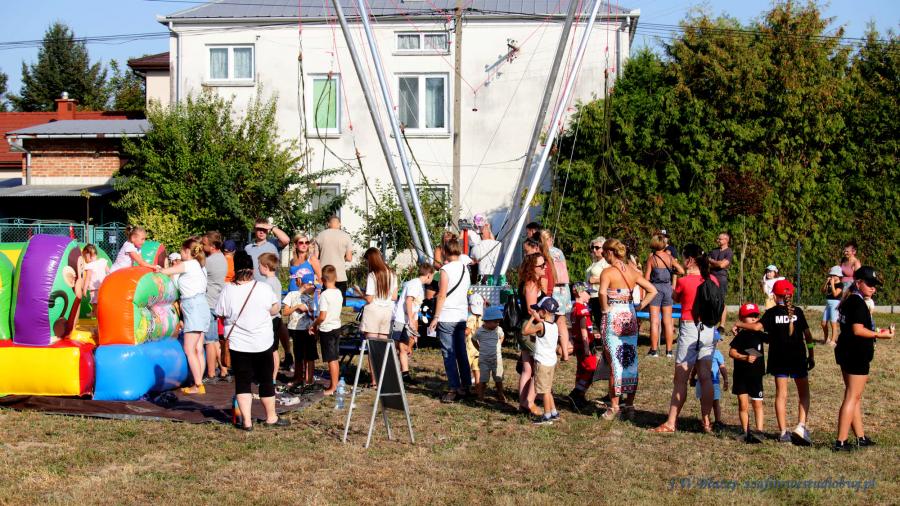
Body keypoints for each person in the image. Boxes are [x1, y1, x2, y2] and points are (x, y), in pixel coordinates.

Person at [734, 279, 814, 445]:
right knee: (804, 394)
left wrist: (738, 323)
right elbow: (808, 336)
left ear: (775, 296)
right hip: (798, 357)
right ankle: (801, 426)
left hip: (779, 358)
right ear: (791, 295)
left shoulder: (771, 313)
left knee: (781, 395)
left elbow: (757, 327)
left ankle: (783, 432)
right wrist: (811, 354)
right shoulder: (798, 312)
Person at [215, 251, 288, 430]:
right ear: (252, 269)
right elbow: (274, 309)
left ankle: (247, 422)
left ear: (235, 269)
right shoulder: (263, 288)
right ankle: (271, 417)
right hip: (262, 342)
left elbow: (220, 313)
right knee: (266, 380)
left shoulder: (227, 289)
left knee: (242, 382)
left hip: (238, 344)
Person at [652, 244, 719, 434]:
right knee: (705, 376)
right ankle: (706, 422)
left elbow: (676, 298)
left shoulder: (684, 281)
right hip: (708, 329)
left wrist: (675, 278)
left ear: (689, 260)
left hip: (690, 328)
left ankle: (671, 422)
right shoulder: (713, 279)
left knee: (680, 378)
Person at [832, 267, 893, 451]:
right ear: (858, 283)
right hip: (856, 354)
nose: (873, 287)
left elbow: (855, 328)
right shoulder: (857, 303)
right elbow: (858, 330)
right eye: (869, 283)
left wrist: (875, 332)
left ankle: (860, 437)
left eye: (875, 284)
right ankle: (841, 442)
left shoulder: (850, 299)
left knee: (854, 396)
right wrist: (881, 335)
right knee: (852, 397)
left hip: (846, 352)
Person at [597, 239, 657, 419]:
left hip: (613, 315)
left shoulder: (607, 272)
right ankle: (629, 406)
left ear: (610, 252)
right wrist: (639, 306)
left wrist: (605, 309)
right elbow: (652, 290)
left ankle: (614, 407)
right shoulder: (633, 271)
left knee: (615, 363)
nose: (603, 255)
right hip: (630, 316)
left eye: (604, 252)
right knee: (630, 360)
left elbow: (602, 292)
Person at [157, 238, 209, 394]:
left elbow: (165, 272)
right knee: (197, 348)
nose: (180, 254)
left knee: (189, 348)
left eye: (181, 251)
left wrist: (159, 268)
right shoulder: (198, 265)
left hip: (193, 306)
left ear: (187, 251)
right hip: (200, 305)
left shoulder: (188, 264)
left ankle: (198, 385)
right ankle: (199, 383)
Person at [428, 235, 473, 403]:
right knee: (461, 352)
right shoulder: (465, 269)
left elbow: (442, 295)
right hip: (461, 315)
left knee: (449, 353)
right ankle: (466, 386)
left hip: (447, 315)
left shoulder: (445, 270)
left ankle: (454, 388)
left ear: (445, 252)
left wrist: (436, 317)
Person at [391, 263, 435, 384]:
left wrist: (414, 328)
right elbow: (409, 300)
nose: (432, 279)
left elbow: (415, 307)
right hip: (400, 319)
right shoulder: (414, 284)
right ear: (428, 275)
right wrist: (410, 319)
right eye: (432, 276)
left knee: (404, 347)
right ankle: (390, 372)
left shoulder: (420, 286)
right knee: (394, 346)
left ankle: (405, 374)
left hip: (407, 320)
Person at [729, 303, 767, 444]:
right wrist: (744, 357)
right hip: (741, 375)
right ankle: (745, 432)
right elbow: (732, 352)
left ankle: (759, 432)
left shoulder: (760, 334)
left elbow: (773, 337)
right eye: (749, 316)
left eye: (755, 316)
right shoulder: (741, 336)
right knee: (743, 404)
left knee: (757, 403)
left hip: (756, 375)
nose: (753, 318)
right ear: (741, 318)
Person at [644, 233, 685, 358]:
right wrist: (672, 271)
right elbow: (682, 271)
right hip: (668, 288)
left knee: (654, 321)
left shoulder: (652, 259)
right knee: (668, 321)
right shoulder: (669, 257)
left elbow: (646, 278)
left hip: (655, 289)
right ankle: (669, 351)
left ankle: (654, 350)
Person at [521, 296, 560, 425]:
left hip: (542, 363)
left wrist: (532, 317)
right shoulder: (554, 326)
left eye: (539, 310)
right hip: (551, 362)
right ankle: (554, 412)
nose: (537, 312)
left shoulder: (541, 325)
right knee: (548, 388)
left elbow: (525, 331)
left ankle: (547, 416)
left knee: (544, 391)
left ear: (544, 311)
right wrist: (537, 316)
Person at [540, 230, 572, 361]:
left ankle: (550, 350)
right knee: (561, 322)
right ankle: (565, 353)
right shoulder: (559, 252)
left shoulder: (544, 253)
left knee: (549, 321)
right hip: (564, 289)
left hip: (553, 289)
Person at [201, 231, 229, 383]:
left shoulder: (209, 261)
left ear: (212, 246)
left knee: (209, 341)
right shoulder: (221, 258)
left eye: (204, 244)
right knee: (216, 340)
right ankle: (223, 370)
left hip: (209, 302)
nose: (202, 246)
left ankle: (211, 373)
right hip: (216, 301)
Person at [312, 265, 343, 396]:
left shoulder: (324, 295)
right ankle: (334, 384)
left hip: (327, 329)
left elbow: (322, 316)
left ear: (322, 280)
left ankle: (333, 386)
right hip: (336, 326)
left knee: (332, 359)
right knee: (334, 357)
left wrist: (313, 325)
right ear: (335, 278)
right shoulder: (338, 292)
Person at [283, 274, 316, 392]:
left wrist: (308, 311)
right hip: (295, 329)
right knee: (298, 355)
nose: (312, 288)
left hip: (307, 329)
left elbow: (314, 316)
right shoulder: (292, 294)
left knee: (309, 355)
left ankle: (308, 379)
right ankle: (298, 377)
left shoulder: (311, 298)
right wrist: (297, 306)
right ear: (305, 284)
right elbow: (285, 312)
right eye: (311, 285)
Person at [567, 282, 597, 410]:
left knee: (581, 370)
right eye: (587, 292)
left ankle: (579, 397)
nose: (589, 295)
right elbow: (584, 329)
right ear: (580, 293)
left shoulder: (574, 308)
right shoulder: (583, 310)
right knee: (592, 369)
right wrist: (586, 347)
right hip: (585, 345)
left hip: (578, 343)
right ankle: (576, 393)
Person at [257, 252, 284, 382]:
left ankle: (270, 376)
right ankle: (272, 376)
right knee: (273, 349)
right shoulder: (276, 281)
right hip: (276, 318)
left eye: (259, 265)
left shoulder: (268, 283)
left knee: (270, 349)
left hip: (271, 319)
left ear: (266, 266)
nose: (258, 268)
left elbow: (272, 304)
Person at [361, 248, 398, 339]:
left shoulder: (372, 275)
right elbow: (394, 297)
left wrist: (361, 294)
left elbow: (369, 299)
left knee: (372, 342)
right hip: (387, 311)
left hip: (373, 310)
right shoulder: (393, 274)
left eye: (367, 261)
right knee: (382, 342)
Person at [474, 305, 506, 403]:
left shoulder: (498, 329)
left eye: (498, 322)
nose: (497, 324)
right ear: (487, 321)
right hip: (484, 360)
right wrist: (479, 348)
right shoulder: (480, 331)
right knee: (483, 379)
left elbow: (502, 336)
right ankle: (480, 396)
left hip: (497, 359)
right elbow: (473, 339)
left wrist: (499, 344)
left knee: (498, 378)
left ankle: (500, 393)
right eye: (495, 321)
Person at [315, 216, 353, 295]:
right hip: (340, 275)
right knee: (340, 301)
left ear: (328, 224)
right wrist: (341, 258)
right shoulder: (346, 236)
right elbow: (349, 258)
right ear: (339, 224)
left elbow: (315, 258)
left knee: (324, 300)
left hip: (324, 275)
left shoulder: (320, 235)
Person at [691, 348, 727, 429]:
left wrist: (726, 380)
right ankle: (708, 421)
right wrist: (726, 380)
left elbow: (722, 367)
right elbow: (696, 367)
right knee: (711, 403)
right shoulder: (714, 353)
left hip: (707, 382)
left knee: (711, 403)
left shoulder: (704, 352)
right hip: (708, 383)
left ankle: (713, 421)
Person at [245, 218, 290, 283]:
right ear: (254, 230)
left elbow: (286, 240)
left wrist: (272, 227)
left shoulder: (274, 243)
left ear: (268, 230)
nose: (261, 232)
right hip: (253, 286)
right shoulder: (248, 248)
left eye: (264, 229)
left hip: (270, 285)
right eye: (259, 229)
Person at [708, 232, 733, 330]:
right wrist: (716, 263)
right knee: (710, 300)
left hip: (721, 279)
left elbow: (722, 265)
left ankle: (722, 325)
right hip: (711, 278)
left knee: (721, 301)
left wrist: (712, 261)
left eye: (720, 239)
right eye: (718, 239)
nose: (717, 240)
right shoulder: (713, 251)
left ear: (726, 240)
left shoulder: (729, 252)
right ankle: (711, 322)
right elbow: (707, 263)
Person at [585, 236, 609, 326]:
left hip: (600, 296)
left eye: (597, 248)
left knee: (602, 323)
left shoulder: (606, 262)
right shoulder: (595, 262)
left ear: (604, 248)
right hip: (591, 296)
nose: (594, 250)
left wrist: (596, 280)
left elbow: (611, 278)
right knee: (596, 323)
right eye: (592, 247)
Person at [80, 244, 109, 315]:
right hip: (104, 287)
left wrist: (84, 289)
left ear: (88, 255)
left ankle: (95, 313)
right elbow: (109, 272)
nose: (85, 259)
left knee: (95, 303)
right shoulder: (102, 261)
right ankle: (95, 312)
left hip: (94, 288)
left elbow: (88, 278)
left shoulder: (89, 265)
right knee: (100, 302)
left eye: (84, 257)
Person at [465, 293, 484, 386]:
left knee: (465, 367)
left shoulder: (471, 318)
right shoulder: (482, 318)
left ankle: (465, 386)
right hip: (479, 348)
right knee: (477, 369)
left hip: (470, 347)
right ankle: (478, 387)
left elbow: (467, 331)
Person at [822, 266, 844, 346]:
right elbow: (823, 291)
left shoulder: (840, 285)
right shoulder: (829, 282)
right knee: (823, 323)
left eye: (834, 275)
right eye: (831, 275)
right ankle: (826, 338)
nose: (832, 277)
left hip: (835, 304)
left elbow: (835, 294)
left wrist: (832, 284)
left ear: (839, 276)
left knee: (833, 323)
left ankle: (833, 340)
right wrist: (826, 282)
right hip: (828, 304)